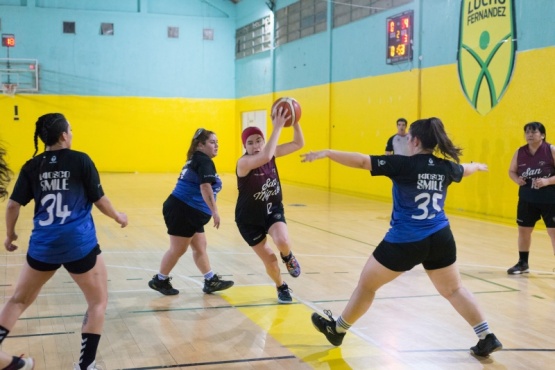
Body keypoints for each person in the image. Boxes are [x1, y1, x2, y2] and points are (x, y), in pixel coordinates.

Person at [302, 117, 503, 357]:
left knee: (367, 285)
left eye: (408, 137)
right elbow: (465, 170)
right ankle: (486, 336)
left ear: (415, 140)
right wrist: (477, 165)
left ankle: (337, 330)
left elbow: (361, 161)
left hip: (405, 240)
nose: (406, 140)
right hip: (440, 237)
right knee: (454, 290)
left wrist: (327, 152)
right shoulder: (446, 167)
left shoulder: (403, 165)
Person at [2, 113, 128, 370]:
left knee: (18, 300)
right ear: (63, 135)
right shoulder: (81, 160)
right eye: (70, 129)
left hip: (43, 245)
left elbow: (13, 204)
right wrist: (118, 216)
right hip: (78, 244)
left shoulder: (32, 166)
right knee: (97, 302)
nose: (71, 133)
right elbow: (100, 200)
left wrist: (10, 234)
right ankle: (85, 366)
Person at [148, 128, 234, 296]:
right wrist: (214, 211)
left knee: (200, 246)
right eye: (212, 142)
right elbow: (205, 187)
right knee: (178, 249)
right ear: (200, 145)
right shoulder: (203, 161)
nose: (216, 146)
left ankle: (210, 280)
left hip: (188, 210)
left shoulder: (196, 158)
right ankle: (160, 279)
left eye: (217, 142)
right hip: (184, 209)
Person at [235, 107, 304, 304]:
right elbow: (264, 157)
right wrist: (278, 127)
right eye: (250, 142)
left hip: (272, 209)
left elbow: (299, 143)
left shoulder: (270, 153)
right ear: (245, 147)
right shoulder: (244, 162)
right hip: (248, 220)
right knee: (271, 261)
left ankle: (288, 256)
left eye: (259, 141)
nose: (255, 145)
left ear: (264, 141)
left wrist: (294, 119)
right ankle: (281, 286)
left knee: (282, 240)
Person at [507, 122, 555, 275]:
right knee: (524, 230)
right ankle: (523, 263)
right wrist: (516, 180)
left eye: (533, 132)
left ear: (542, 135)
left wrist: (547, 181)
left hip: (550, 199)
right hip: (527, 199)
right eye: (527, 132)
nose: (529, 135)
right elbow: (511, 171)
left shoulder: (551, 150)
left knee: (553, 231)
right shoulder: (520, 152)